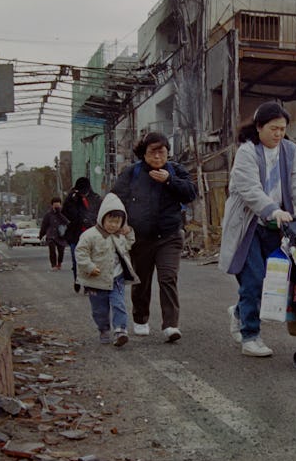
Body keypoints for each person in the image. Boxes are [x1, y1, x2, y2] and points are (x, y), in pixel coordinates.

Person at [218, 101, 296, 357]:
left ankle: (241, 312)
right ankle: (250, 337)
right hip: (249, 225)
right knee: (253, 278)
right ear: (259, 127)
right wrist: (271, 209)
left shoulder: (291, 151)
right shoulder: (247, 152)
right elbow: (250, 190)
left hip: (280, 226)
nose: (278, 134)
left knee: (274, 280)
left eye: (282, 129)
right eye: (273, 128)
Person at [112, 132, 197, 343]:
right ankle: (140, 318)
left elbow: (190, 193)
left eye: (162, 152)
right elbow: (115, 199)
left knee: (168, 277)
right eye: (153, 152)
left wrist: (170, 181)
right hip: (140, 237)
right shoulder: (132, 172)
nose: (158, 156)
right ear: (144, 153)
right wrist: (122, 222)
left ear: (168, 153)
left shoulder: (176, 171)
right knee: (142, 279)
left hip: (169, 235)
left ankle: (170, 325)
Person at [75, 193, 140, 346]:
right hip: (96, 281)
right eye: (110, 221)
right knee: (99, 310)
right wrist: (89, 267)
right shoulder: (90, 235)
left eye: (118, 222)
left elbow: (128, 245)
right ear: (102, 218)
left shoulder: (119, 236)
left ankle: (120, 331)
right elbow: (80, 252)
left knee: (119, 304)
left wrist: (129, 232)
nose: (113, 225)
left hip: (116, 278)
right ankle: (103, 329)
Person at [62, 177, 102, 293]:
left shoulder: (96, 199)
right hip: (76, 235)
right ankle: (78, 279)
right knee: (76, 260)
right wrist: (70, 197)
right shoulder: (73, 200)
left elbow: (100, 214)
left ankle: (88, 284)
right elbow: (66, 213)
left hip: (92, 234)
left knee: (90, 260)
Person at [39, 197, 70, 271]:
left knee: (61, 251)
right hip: (51, 235)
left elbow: (67, 222)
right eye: (55, 205)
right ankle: (53, 265)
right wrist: (41, 234)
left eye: (58, 205)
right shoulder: (48, 214)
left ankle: (59, 263)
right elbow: (44, 225)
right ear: (52, 205)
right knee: (52, 248)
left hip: (61, 235)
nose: (56, 207)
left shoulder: (64, 213)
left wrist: (59, 213)